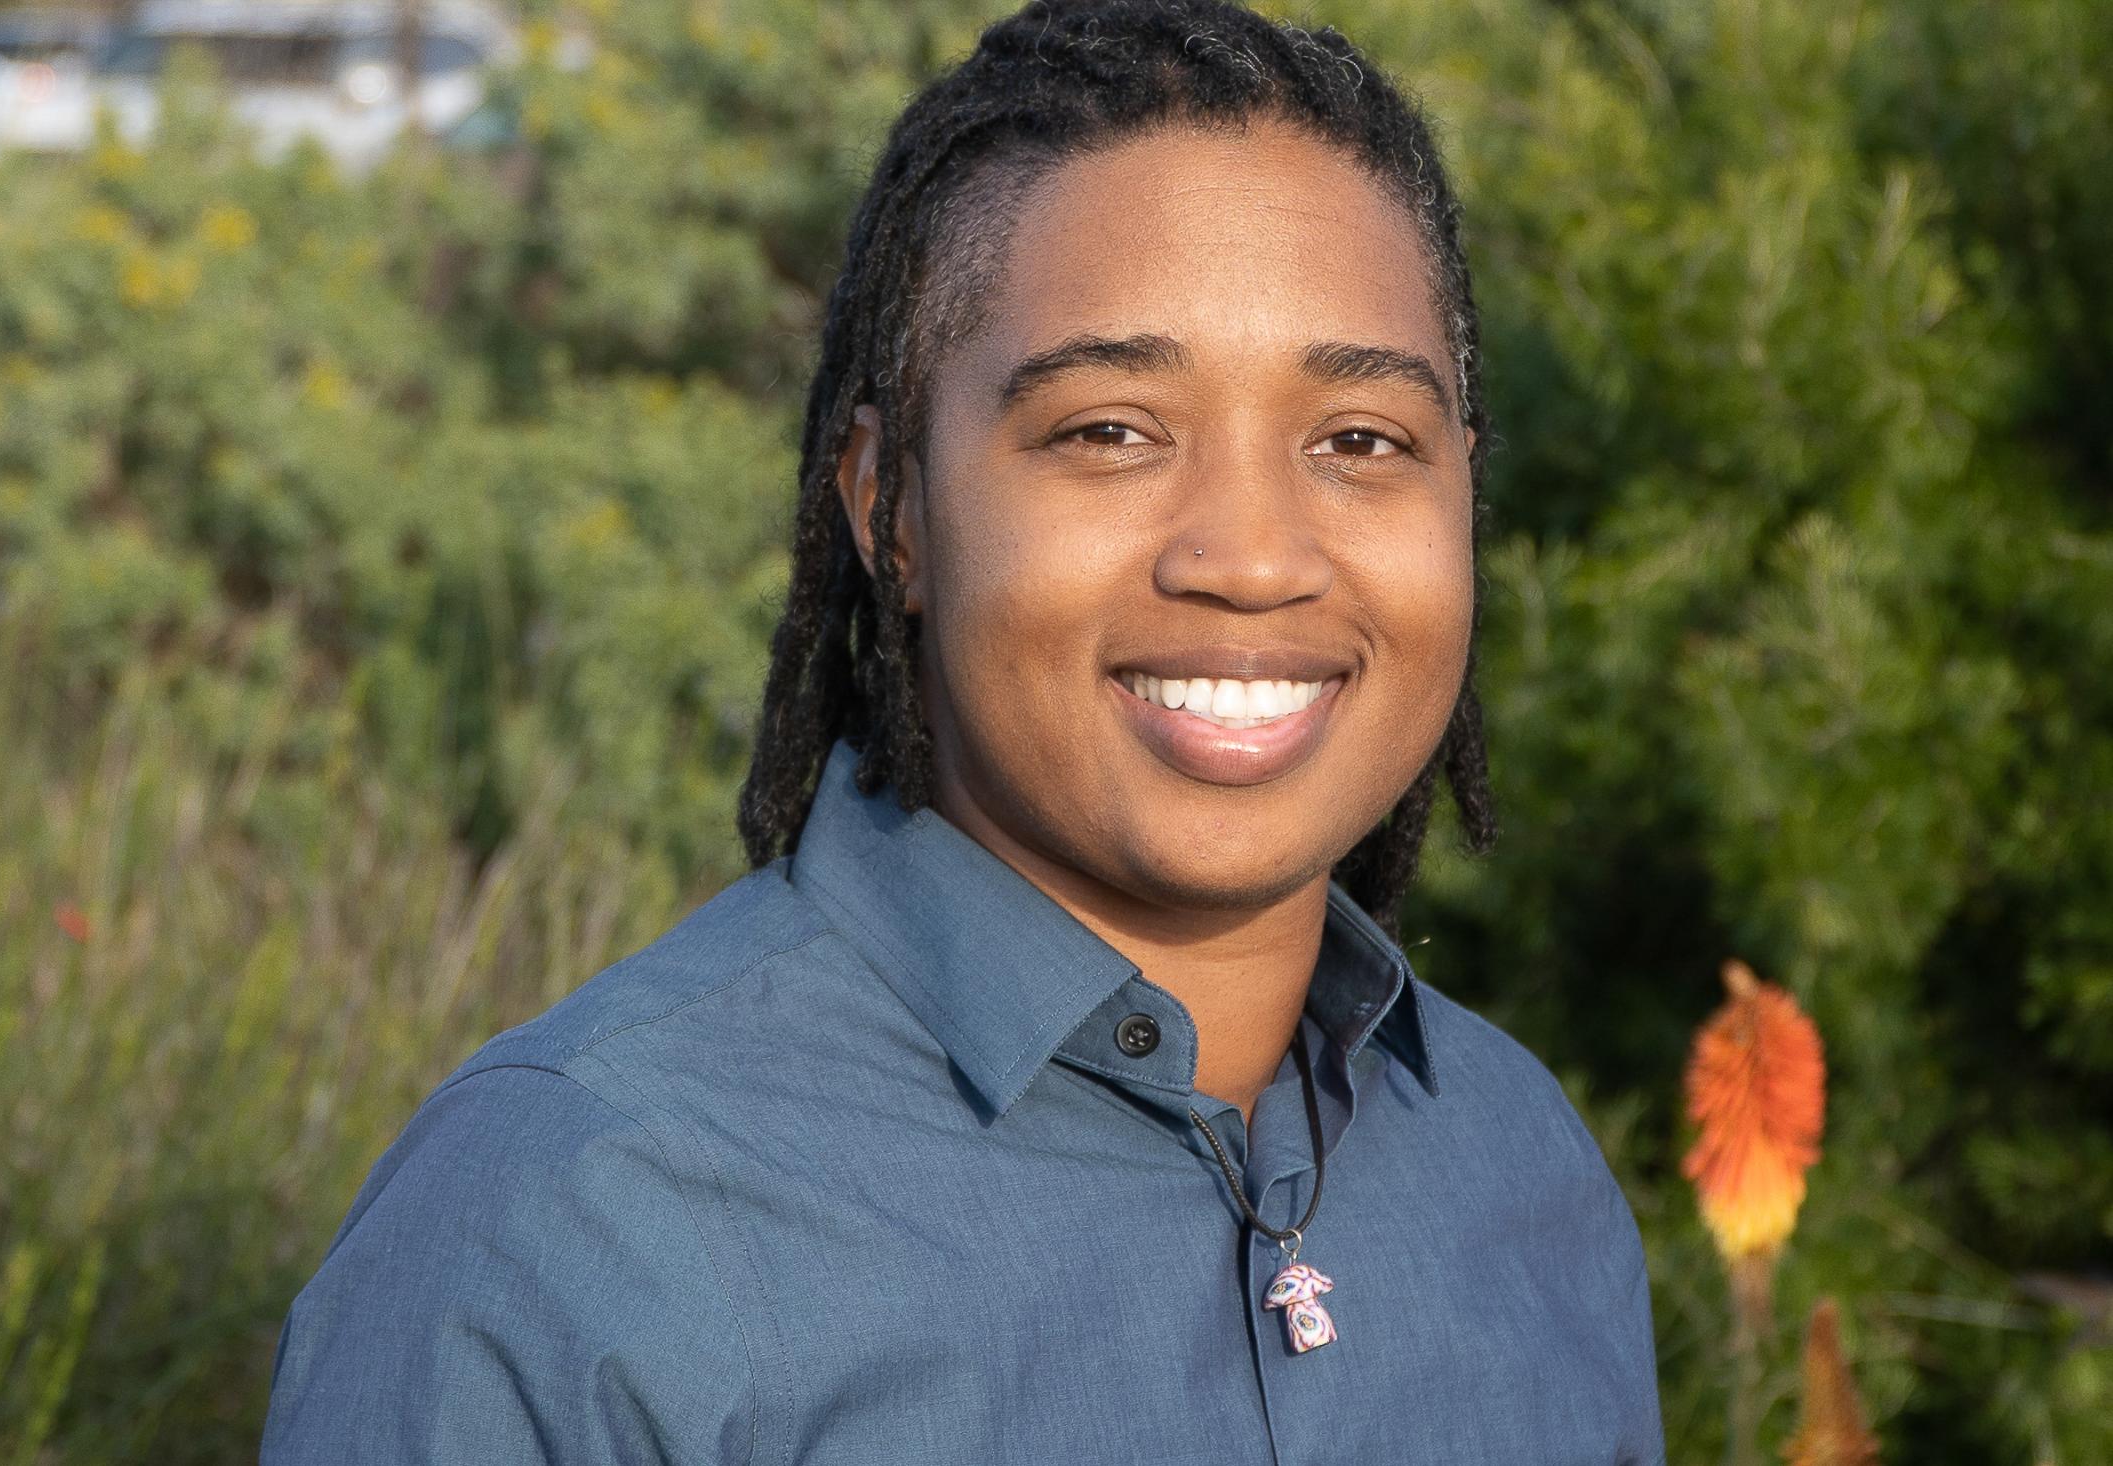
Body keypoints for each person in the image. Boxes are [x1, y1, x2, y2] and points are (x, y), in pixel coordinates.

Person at [261, 1, 1667, 1460]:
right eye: (1110, 430)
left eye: (1361, 440)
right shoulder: (574, 1227)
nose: (1253, 558)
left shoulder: (1520, 1176)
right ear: (894, 506)